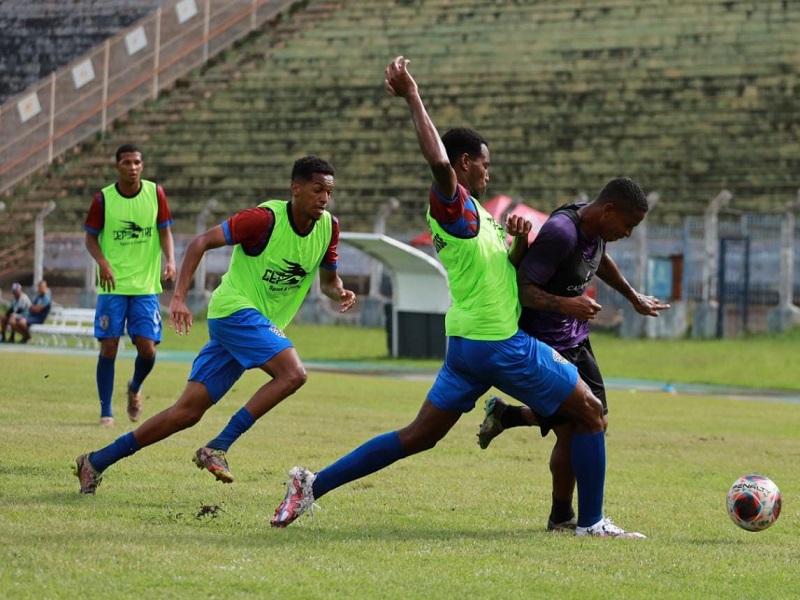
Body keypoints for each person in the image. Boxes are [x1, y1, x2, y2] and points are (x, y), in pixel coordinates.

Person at [270, 56, 645, 538]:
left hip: (466, 345)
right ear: (466, 163)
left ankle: (310, 485)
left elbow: (500, 272)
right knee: (591, 411)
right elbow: (437, 160)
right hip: (496, 343)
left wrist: (518, 245)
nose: (489, 173)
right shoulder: (452, 204)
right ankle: (590, 523)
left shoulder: (480, 218)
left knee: (417, 437)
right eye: (485, 164)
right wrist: (412, 95)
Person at [73, 155, 357, 495]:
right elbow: (200, 242)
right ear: (295, 188)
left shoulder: (329, 227)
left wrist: (338, 292)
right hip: (234, 311)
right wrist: (178, 298)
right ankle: (218, 446)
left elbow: (328, 281)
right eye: (317, 190)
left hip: (254, 325)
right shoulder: (262, 219)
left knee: (186, 413)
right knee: (293, 374)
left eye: (329, 192)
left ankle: (96, 461)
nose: (324, 199)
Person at [476, 178, 670, 532]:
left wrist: (632, 295)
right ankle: (567, 518)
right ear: (608, 210)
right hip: (546, 342)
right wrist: (568, 304)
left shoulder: (596, 231)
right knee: (577, 428)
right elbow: (521, 288)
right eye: (628, 224)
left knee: (595, 423)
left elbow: (600, 259)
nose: (628, 232)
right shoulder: (561, 233)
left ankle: (510, 418)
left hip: (576, 339)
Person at [83, 143, 177, 427]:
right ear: (117, 167)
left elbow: (165, 232)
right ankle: (105, 412)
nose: (133, 167)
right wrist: (102, 262)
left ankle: (134, 387)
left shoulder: (155, 193)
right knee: (109, 346)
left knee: (147, 349)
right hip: (112, 286)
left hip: (146, 286)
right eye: (127, 162)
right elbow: (90, 238)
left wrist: (171, 259)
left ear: (142, 166)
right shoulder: (103, 199)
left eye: (137, 162)